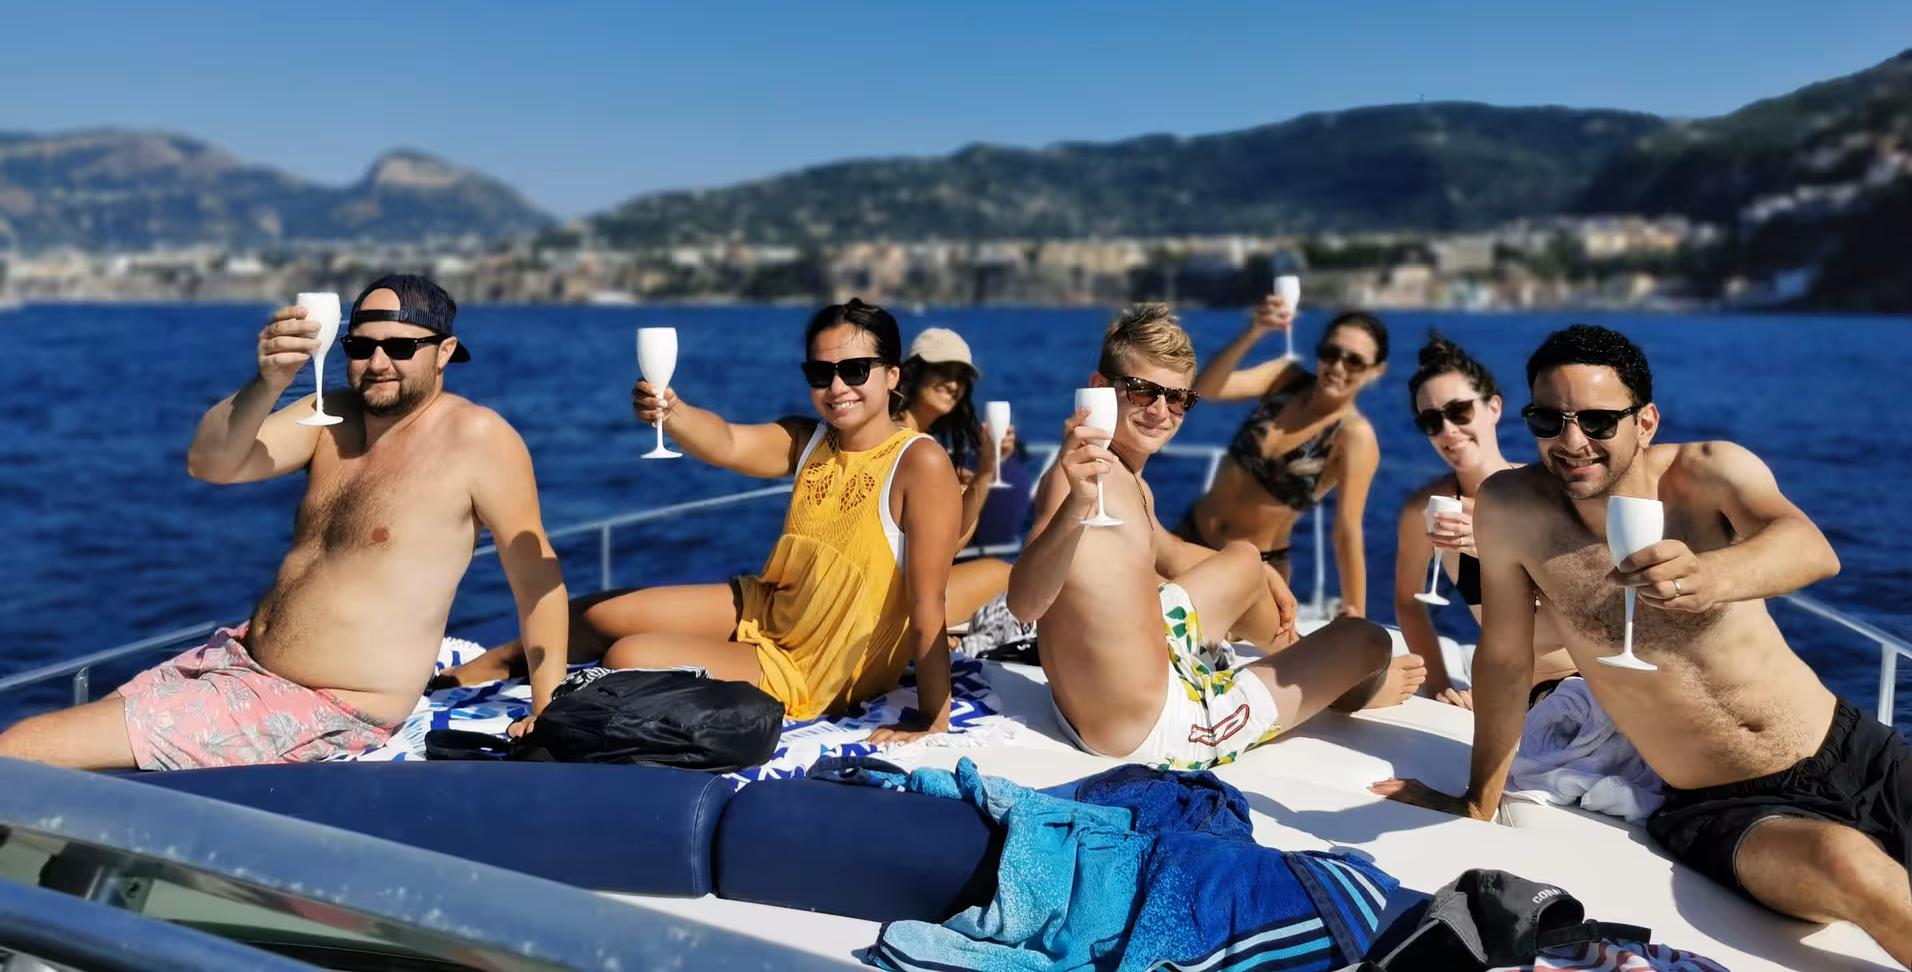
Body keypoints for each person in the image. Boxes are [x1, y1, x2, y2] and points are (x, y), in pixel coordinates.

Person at [1373, 324, 1912, 968]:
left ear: (1646, 421)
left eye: (1599, 422)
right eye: (1549, 420)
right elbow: (1504, 656)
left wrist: (1715, 575)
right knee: (1848, 867)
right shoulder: (1512, 508)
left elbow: (1809, 547)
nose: (1572, 442)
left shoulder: (1709, 473)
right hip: (1726, 805)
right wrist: (1476, 798)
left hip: (1855, 747)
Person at [0, 274, 569, 771]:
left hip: (328, 708)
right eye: (361, 345)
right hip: (238, 663)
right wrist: (269, 380)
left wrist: (547, 712)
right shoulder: (334, 413)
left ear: (444, 352)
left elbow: (535, 577)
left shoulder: (477, 439)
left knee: (21, 749)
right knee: (71, 740)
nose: (377, 363)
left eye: (400, 346)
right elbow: (212, 464)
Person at [449, 299, 960, 743]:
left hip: (812, 668)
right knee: (604, 614)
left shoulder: (919, 463)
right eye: (820, 374)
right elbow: (727, 441)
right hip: (769, 608)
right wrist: (671, 411)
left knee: (628, 655)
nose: (837, 387)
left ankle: (534, 681)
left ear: (893, 376)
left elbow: (927, 603)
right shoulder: (811, 441)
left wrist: (932, 716)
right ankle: (484, 667)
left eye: (855, 370)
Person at [1007, 303, 1421, 772]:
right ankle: (1346, 688)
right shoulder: (1080, 480)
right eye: (1143, 391)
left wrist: (1262, 571)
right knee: (1365, 640)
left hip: (1100, 700)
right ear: (1101, 388)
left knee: (1244, 555)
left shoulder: (1125, 477)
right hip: (1155, 730)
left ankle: (1296, 654)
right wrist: (1075, 508)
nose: (1161, 411)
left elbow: (1168, 548)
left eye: (1178, 398)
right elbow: (1023, 605)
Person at [1394, 332, 1577, 708]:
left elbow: (1595, 604)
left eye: (1459, 412)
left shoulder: (1551, 489)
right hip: (1524, 695)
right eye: (1431, 421)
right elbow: (1408, 602)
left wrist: (1497, 552)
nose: (1448, 430)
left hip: (1592, 680)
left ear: (1494, 407)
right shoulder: (1428, 510)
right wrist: (1439, 685)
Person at [1175, 299, 1389, 617]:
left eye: (1355, 361)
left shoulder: (1354, 436)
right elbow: (1207, 389)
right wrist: (1254, 332)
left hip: (1254, 572)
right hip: (1190, 539)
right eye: (1331, 353)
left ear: (1375, 372)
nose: (1339, 367)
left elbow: (1347, 530)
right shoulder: (1284, 378)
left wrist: (1355, 612)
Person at [897, 327, 1017, 626]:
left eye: (961, 376)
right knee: (1012, 577)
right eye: (943, 371)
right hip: (895, 605)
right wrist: (985, 474)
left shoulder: (907, 435)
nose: (954, 384)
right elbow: (946, 546)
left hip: (895, 589)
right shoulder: (910, 444)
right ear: (913, 373)